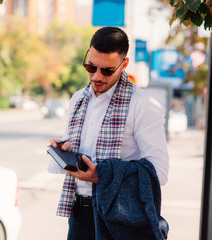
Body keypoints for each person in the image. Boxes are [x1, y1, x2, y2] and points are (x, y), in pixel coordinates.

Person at [48, 26, 169, 240]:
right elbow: (84, 148)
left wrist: (103, 175)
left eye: (106, 70)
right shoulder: (78, 99)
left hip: (119, 219)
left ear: (124, 65)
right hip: (79, 214)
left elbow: (159, 171)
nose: (96, 76)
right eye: (91, 66)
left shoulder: (143, 106)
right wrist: (66, 148)